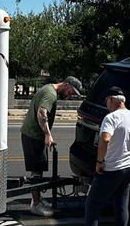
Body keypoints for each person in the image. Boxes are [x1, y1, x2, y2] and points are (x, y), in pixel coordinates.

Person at [64, 86, 130, 226]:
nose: (106, 104)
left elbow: (105, 139)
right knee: (121, 205)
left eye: (106, 100)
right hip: (128, 167)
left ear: (112, 100)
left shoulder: (111, 118)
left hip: (111, 168)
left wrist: (99, 162)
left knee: (93, 204)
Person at [20, 76, 84, 216]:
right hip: (34, 136)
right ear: (66, 85)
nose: (70, 95)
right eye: (71, 92)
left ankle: (36, 200)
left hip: (34, 135)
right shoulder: (50, 94)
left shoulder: (49, 89)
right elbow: (42, 112)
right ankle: (36, 205)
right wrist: (48, 134)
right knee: (36, 173)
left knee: (38, 170)